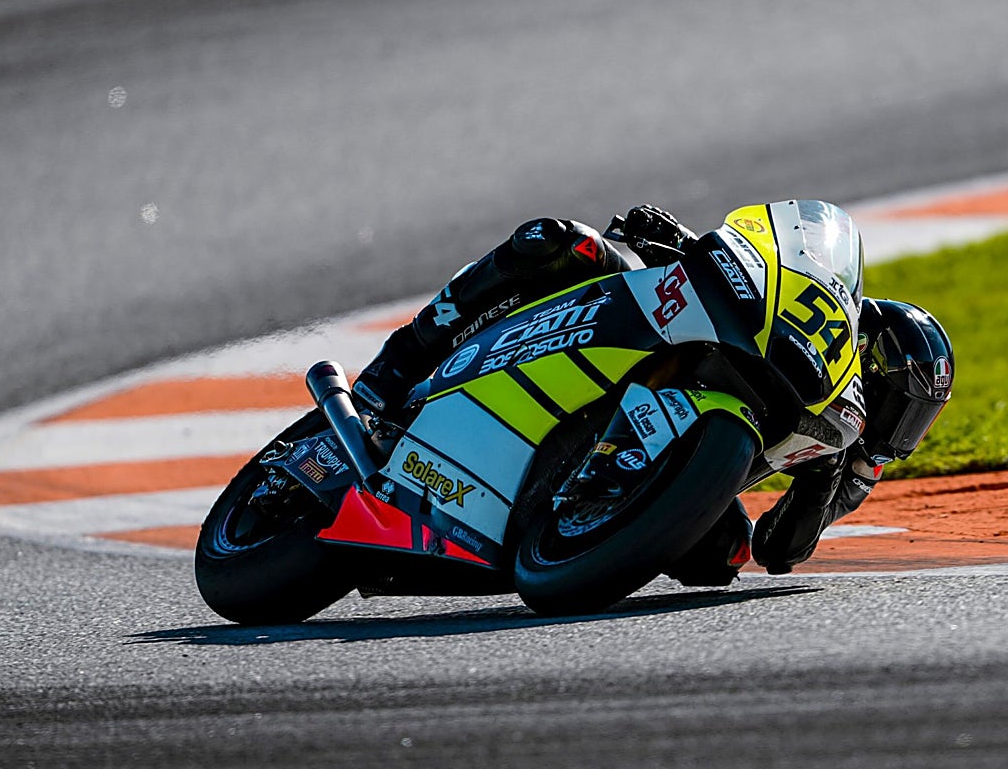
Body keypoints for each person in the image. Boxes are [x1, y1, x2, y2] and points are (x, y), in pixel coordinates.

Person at [353, 204, 954, 579]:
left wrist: (827, 477)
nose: (900, 428)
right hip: (667, 336)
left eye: (915, 419)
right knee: (559, 240)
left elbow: (782, 549)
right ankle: (401, 362)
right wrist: (674, 239)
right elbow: (743, 262)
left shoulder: (848, 460)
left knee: (725, 557)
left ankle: (566, 524)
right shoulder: (818, 320)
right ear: (871, 355)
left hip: (685, 468)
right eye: (902, 404)